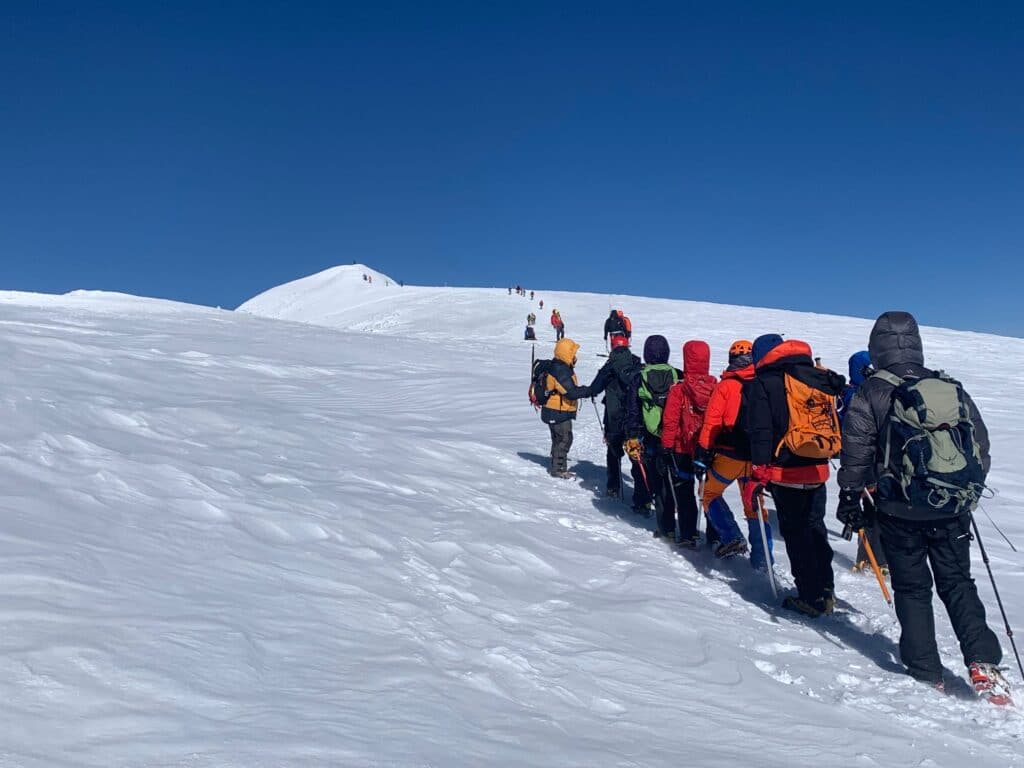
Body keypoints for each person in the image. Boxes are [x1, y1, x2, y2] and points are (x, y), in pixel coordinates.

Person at [837, 311, 1008, 703]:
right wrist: (966, 493)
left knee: (912, 588)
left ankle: (925, 668)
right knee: (959, 583)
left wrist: (850, 496)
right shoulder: (947, 386)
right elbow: (979, 447)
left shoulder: (871, 391)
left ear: (876, 346)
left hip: (898, 511)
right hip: (951, 508)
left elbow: (856, 453)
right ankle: (983, 662)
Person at [746, 334, 844, 617]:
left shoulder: (765, 383)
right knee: (815, 528)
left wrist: (759, 473)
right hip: (818, 466)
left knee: (797, 533)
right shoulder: (814, 376)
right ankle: (825, 589)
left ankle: (810, 597)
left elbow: (761, 433)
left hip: (785, 471)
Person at [694, 340, 776, 566]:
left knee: (708, 493)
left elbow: (712, 422)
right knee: (755, 506)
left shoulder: (726, 386)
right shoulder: (764, 383)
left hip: (729, 455)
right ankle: (763, 558)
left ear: (731, 360)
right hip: (757, 457)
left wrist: (703, 451)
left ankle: (731, 536)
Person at [660, 340, 717, 548]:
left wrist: (666, 447)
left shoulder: (679, 390)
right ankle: (715, 536)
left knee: (684, 492)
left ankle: (688, 534)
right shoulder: (716, 387)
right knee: (710, 493)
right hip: (707, 449)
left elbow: (671, 421)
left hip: (682, 449)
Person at [625, 335, 682, 536]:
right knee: (676, 479)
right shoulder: (677, 374)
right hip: (675, 436)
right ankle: (685, 526)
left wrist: (632, 434)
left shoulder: (639, 377)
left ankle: (666, 527)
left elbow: (632, 409)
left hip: (650, 436)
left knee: (656, 479)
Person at [837, 350, 888, 575]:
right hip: (877, 461)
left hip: (857, 459)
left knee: (866, 507)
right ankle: (876, 558)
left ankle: (869, 557)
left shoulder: (849, 395)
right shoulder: (876, 394)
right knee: (874, 507)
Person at [589, 334, 646, 503]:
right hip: (634, 419)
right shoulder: (637, 364)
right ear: (627, 346)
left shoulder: (609, 367)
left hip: (613, 419)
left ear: (612, 347)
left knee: (613, 454)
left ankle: (613, 487)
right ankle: (642, 498)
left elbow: (595, 388)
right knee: (637, 457)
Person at [538, 338, 592, 479]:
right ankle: (559, 469)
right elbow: (571, 392)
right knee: (564, 439)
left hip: (554, 409)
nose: (575, 356)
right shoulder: (560, 370)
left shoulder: (559, 366)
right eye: (573, 353)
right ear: (565, 353)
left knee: (558, 439)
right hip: (558, 411)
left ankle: (556, 462)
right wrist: (588, 390)